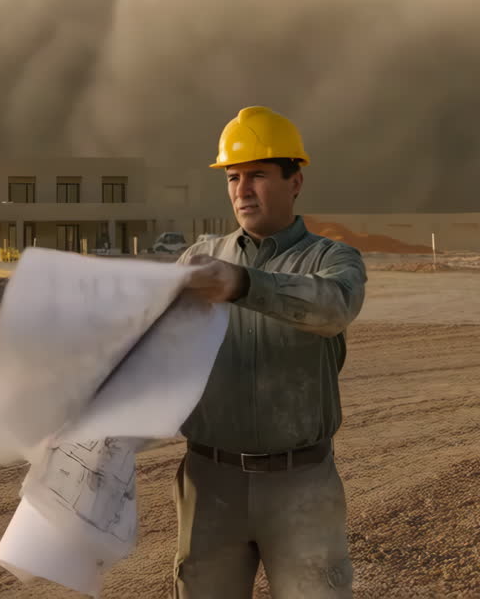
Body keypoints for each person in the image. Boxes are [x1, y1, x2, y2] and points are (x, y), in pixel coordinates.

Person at [174, 106, 367, 598]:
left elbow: (334, 308)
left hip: (301, 482)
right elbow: (154, 354)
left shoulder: (333, 259)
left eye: (257, 175)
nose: (242, 189)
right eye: (233, 177)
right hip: (209, 481)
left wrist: (241, 283)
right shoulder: (198, 260)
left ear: (295, 181)